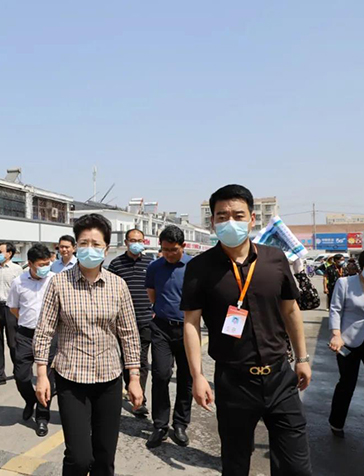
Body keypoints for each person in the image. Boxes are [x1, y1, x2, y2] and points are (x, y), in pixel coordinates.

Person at [181, 184, 312, 476]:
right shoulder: (199, 268)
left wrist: (302, 358)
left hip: (280, 377)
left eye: (238, 215)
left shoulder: (275, 259)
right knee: (236, 462)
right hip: (233, 381)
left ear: (252, 219)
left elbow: (290, 310)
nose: (230, 222)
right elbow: (191, 323)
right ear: (212, 222)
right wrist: (197, 376)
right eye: (222, 216)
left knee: (295, 466)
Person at [34, 213, 143, 476]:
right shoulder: (59, 283)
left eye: (96, 244)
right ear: (76, 246)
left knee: (105, 455)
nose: (89, 249)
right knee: (79, 457)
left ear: (106, 248)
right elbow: (45, 330)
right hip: (71, 379)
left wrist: (134, 377)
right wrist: (41, 374)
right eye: (84, 243)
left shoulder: (118, 286)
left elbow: (129, 333)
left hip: (109, 379)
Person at [144, 225, 193, 448]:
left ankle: (180, 423)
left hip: (187, 329)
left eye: (174, 250)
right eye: (165, 250)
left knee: (186, 377)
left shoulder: (194, 267)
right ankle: (160, 425)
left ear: (183, 246)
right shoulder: (154, 267)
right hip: (161, 328)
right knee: (161, 374)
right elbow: (152, 294)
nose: (169, 254)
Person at [7, 243, 56, 437]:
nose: (45, 267)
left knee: (47, 378)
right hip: (26, 335)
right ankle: (30, 399)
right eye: (41, 264)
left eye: (47, 263)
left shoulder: (55, 280)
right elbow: (13, 307)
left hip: (49, 336)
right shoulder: (18, 282)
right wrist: (27, 320)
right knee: (21, 375)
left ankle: (42, 417)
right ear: (30, 263)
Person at [328, 248, 364, 438]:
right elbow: (335, 309)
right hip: (348, 341)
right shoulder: (345, 283)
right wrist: (336, 334)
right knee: (347, 383)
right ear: (361, 267)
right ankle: (336, 423)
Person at [108, 228, 154, 418]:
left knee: (141, 361)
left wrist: (154, 310)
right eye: (133, 240)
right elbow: (109, 290)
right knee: (125, 360)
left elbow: (157, 288)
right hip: (122, 322)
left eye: (140, 240)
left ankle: (139, 401)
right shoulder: (116, 264)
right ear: (126, 242)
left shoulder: (151, 263)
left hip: (145, 320)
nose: (136, 243)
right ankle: (130, 387)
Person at [0, 242, 23, 387]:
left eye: (0, 251)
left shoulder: (17, 270)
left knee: (13, 342)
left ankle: (19, 371)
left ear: (9, 253)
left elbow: (21, 290)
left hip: (11, 307)